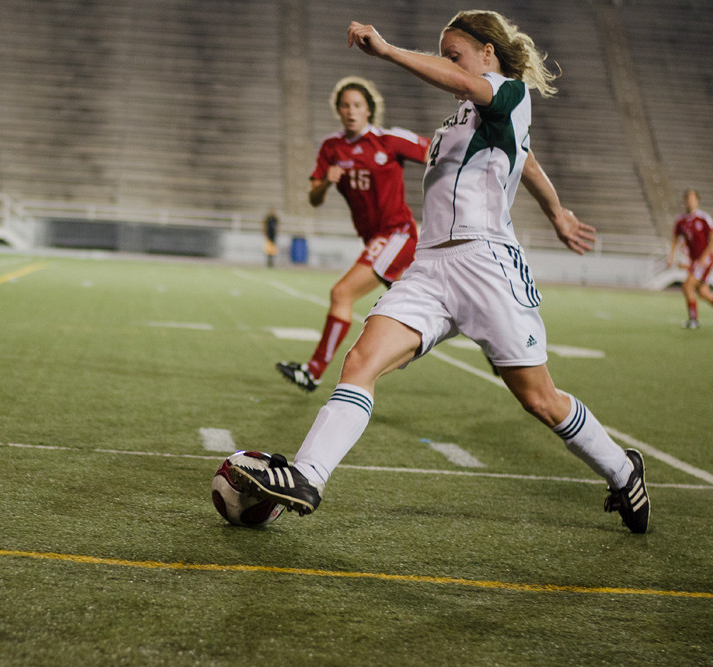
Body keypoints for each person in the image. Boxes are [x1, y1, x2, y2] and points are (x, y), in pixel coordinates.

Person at [232, 10, 650, 534]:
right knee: (361, 359)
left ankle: (621, 470)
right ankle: (307, 476)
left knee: (538, 398)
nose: (448, 65)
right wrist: (557, 211)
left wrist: (387, 52)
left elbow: (496, 120)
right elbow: (529, 160)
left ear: (487, 53)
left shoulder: (508, 93)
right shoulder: (465, 118)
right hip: (429, 266)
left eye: (454, 54)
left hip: (486, 264)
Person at [276, 76, 430, 392]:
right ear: (338, 110)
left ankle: (314, 371)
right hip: (376, 240)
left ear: (369, 109)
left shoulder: (388, 140)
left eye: (357, 105)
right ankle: (493, 343)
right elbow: (313, 199)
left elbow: (436, 153)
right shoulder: (332, 148)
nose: (350, 111)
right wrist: (325, 183)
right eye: (345, 105)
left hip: (397, 234)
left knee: (342, 293)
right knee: (424, 303)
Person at [666, 189, 713, 329]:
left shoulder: (704, 218)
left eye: (692, 199)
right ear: (684, 201)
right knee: (704, 293)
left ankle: (694, 320)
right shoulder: (680, 221)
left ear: (697, 201)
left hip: (705, 260)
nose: (690, 201)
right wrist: (672, 257)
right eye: (687, 199)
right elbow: (676, 240)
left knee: (687, 286)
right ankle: (693, 320)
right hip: (694, 262)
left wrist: (704, 257)